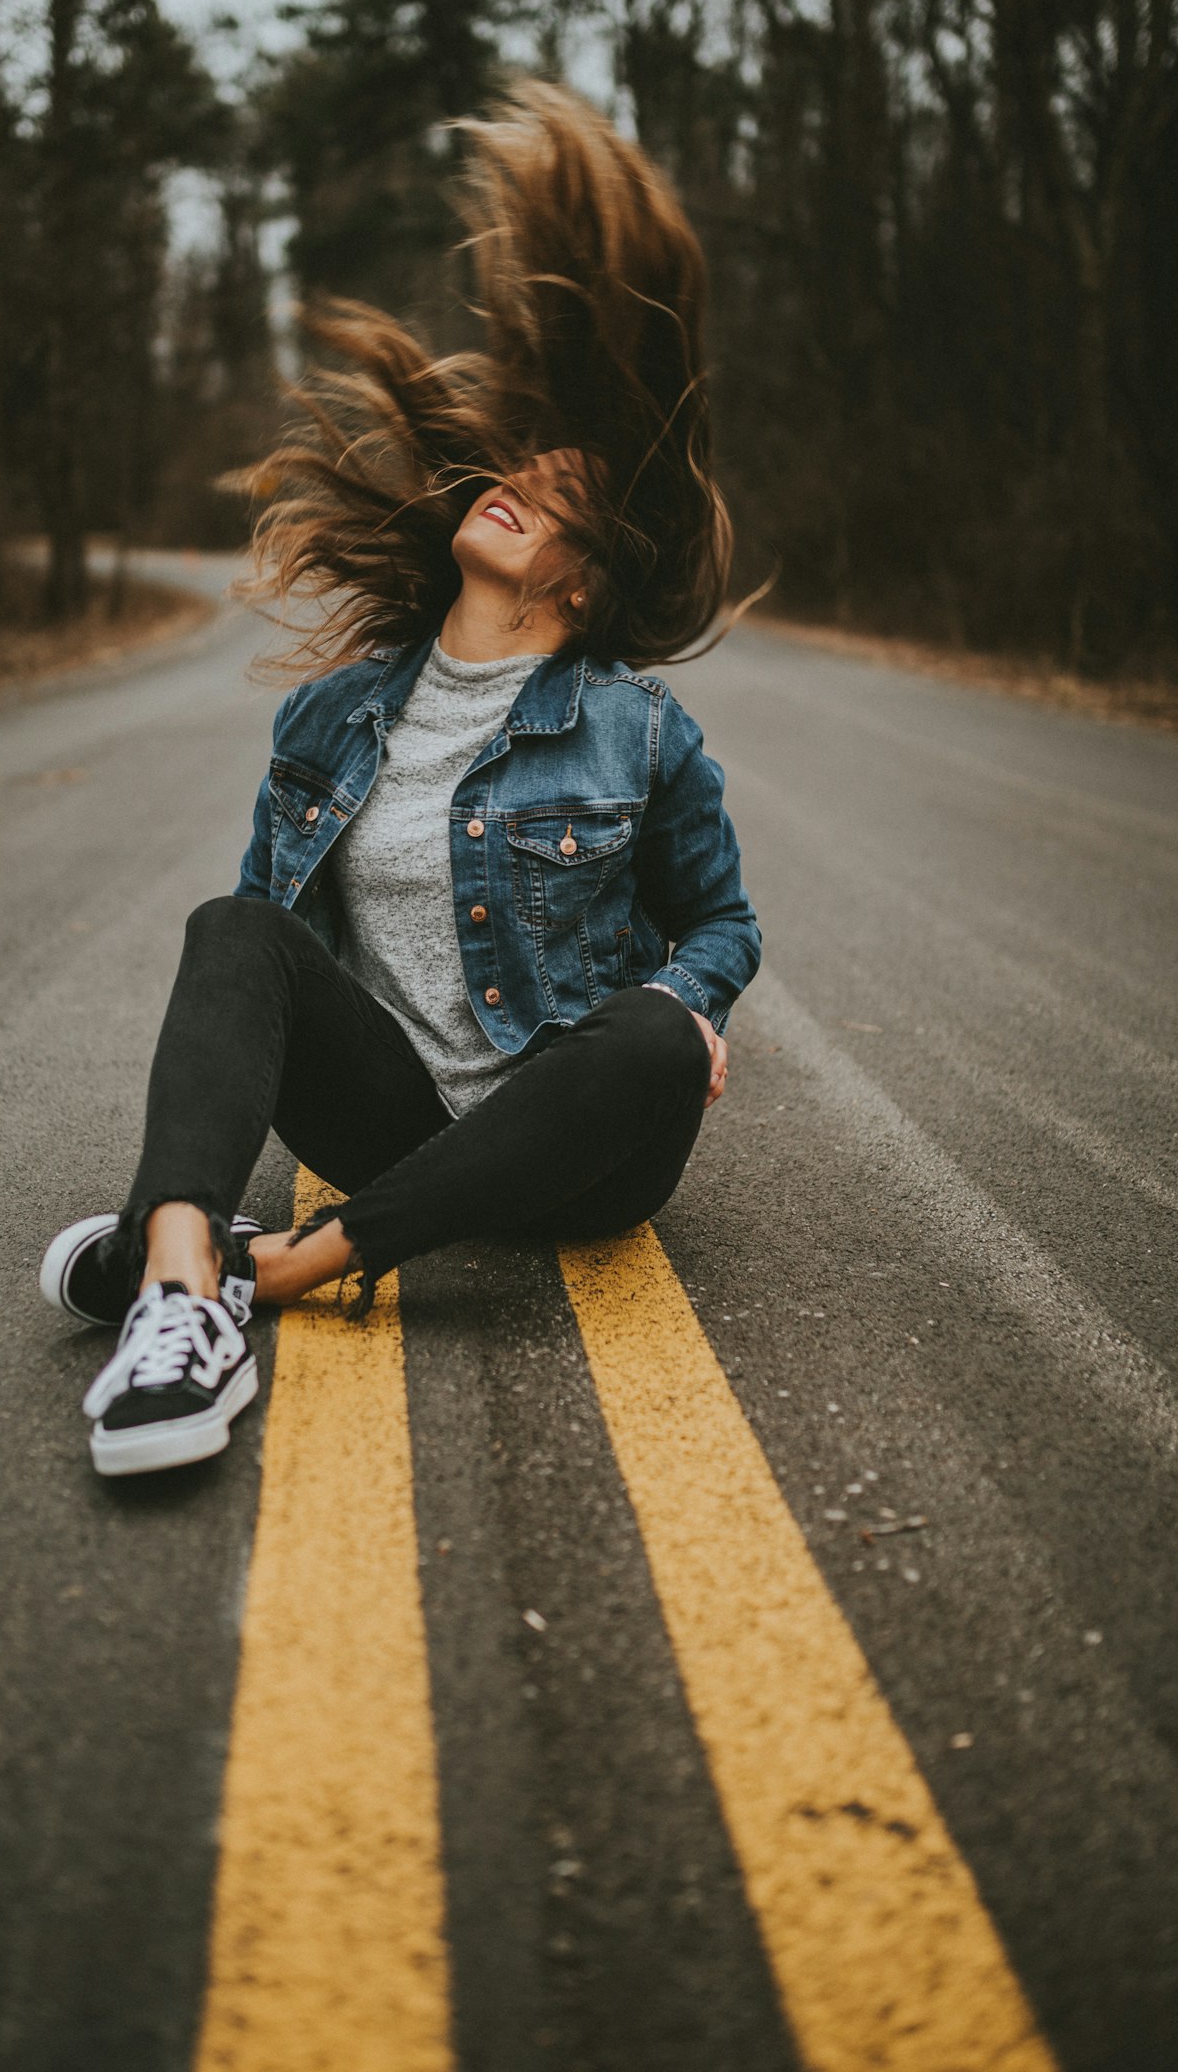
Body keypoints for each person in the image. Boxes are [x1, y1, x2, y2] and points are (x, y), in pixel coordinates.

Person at [40, 81, 763, 1476]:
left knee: (660, 1035)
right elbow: (260, 980)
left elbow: (723, 924)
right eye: (526, 469)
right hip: (397, 1129)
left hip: (580, 1154)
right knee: (231, 927)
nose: (525, 485)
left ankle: (276, 1275)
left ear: (588, 580)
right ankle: (182, 1289)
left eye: (568, 500)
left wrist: (689, 998)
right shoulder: (330, 718)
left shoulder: (641, 730)